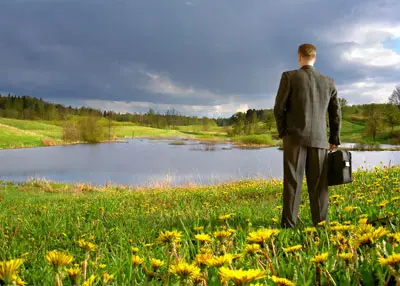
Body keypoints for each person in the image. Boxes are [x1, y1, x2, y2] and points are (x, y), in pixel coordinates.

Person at [273, 43, 341, 228]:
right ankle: (320, 225)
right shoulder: (328, 81)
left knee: (292, 183)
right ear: (315, 58)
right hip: (320, 140)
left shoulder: (289, 77)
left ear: (299, 57)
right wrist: (334, 138)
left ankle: (289, 224)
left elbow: (278, 108)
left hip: (294, 138)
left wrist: (283, 132)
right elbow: (335, 112)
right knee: (319, 185)